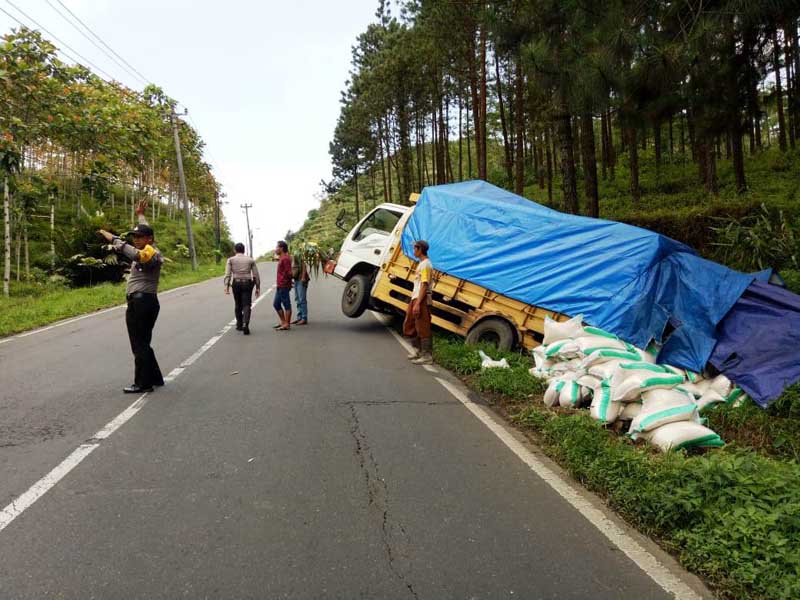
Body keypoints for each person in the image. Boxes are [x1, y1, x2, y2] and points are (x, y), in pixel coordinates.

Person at [98, 200, 164, 393]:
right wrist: (140, 215)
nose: (136, 239)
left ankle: (143, 383)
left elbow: (135, 254)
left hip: (142, 302)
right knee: (143, 342)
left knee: (139, 344)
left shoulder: (152, 254)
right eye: (135, 236)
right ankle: (155, 378)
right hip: (142, 301)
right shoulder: (147, 249)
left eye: (140, 237)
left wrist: (114, 240)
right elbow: (142, 238)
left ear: (150, 239)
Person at [404, 240, 433, 365]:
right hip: (415, 297)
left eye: (414, 248)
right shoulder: (421, 264)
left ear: (420, 249)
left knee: (422, 326)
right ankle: (418, 351)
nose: (413, 251)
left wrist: (417, 303)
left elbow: (424, 285)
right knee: (410, 324)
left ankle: (427, 356)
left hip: (421, 299)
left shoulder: (426, 265)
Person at [224, 243, 261, 335]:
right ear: (244, 250)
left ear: (235, 250)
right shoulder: (250, 260)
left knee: (238, 304)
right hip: (247, 283)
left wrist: (226, 286)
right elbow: (256, 274)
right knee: (247, 304)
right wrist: (257, 287)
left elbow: (228, 274)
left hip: (236, 283)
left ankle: (239, 324)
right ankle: (246, 323)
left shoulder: (231, 260)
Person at [273, 240, 293, 331]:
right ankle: (283, 322)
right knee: (276, 304)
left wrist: (289, 282)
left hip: (284, 285)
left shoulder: (285, 258)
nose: (275, 249)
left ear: (281, 248)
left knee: (286, 304)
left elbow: (289, 272)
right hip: (280, 285)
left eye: (277, 247)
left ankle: (287, 324)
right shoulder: (281, 258)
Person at [291, 251, 310, 325]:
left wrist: (303, 277)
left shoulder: (296, 256)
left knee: (302, 299)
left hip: (301, 280)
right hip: (296, 280)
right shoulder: (290, 260)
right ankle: (299, 317)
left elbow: (304, 266)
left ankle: (304, 318)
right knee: (297, 299)